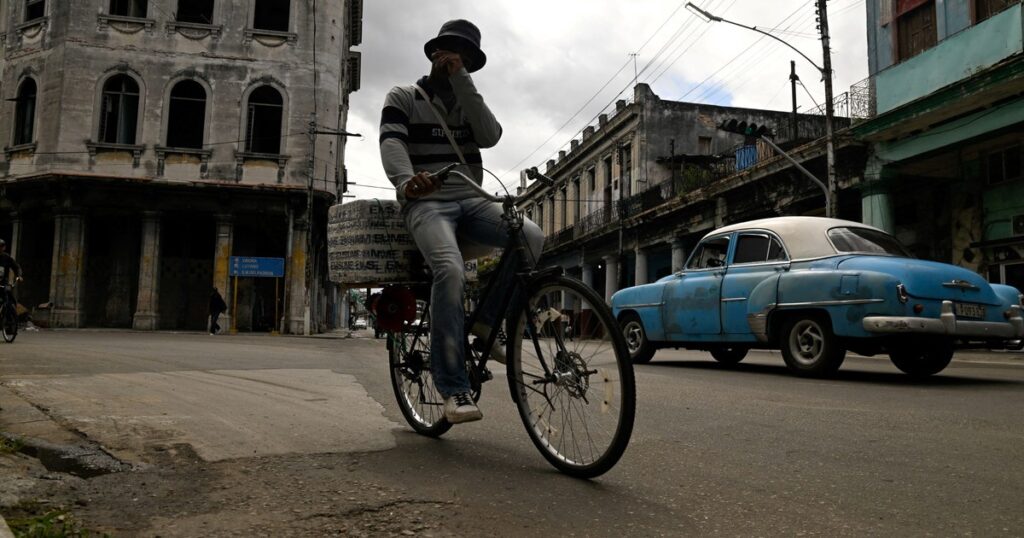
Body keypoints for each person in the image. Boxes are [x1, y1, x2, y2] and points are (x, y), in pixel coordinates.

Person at [379, 20, 544, 424]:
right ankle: (453, 388)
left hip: (472, 199)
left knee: (531, 236)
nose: (455, 59)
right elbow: (392, 143)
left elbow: (489, 137)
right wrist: (407, 182)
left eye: (465, 55)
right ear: (434, 52)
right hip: (427, 204)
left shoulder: (469, 102)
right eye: (450, 51)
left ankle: (487, 324)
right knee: (449, 271)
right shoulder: (404, 95)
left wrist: (464, 83)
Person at [0, 239, 23, 308]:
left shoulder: (6, 257)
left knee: (9, 299)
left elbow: (16, 267)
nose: (0, 248)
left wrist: (19, 276)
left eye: (1, 246)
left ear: (4, 248)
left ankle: (12, 314)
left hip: (3, 284)